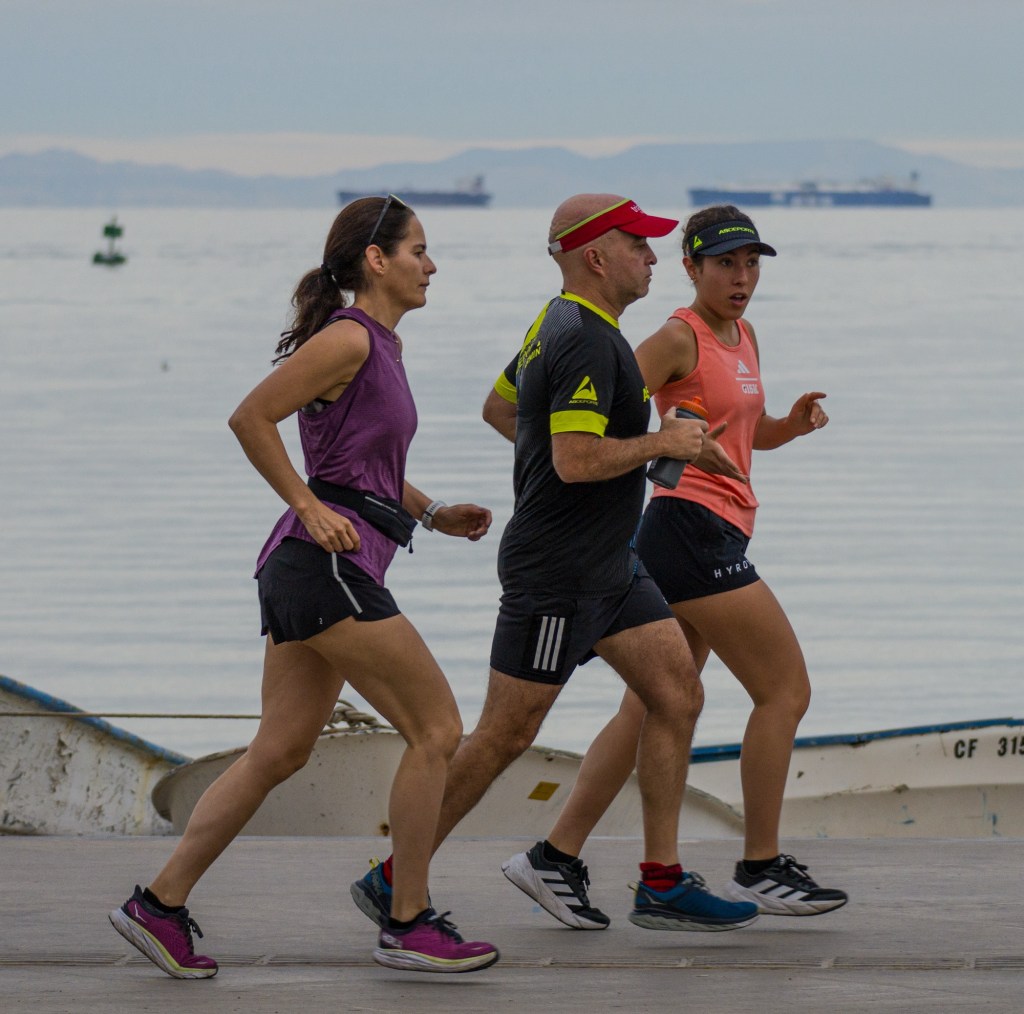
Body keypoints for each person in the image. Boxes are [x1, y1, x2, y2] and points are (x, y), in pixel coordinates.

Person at [108, 195, 500, 977]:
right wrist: (308, 507)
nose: (432, 265)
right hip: (324, 568)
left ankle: (158, 904)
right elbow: (251, 418)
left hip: (312, 568)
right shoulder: (349, 338)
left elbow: (362, 466)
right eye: (418, 250)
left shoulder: (379, 345)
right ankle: (408, 921)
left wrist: (431, 513)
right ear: (376, 260)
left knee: (280, 750)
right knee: (437, 730)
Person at [350, 194, 760, 935]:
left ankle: (661, 883)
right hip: (557, 573)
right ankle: (393, 878)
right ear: (595, 257)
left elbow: (500, 408)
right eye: (638, 245)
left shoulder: (560, 323)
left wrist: (567, 457)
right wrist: (661, 444)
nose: (653, 258)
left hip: (613, 565)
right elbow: (574, 460)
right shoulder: (583, 340)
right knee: (503, 737)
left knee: (677, 695)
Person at [498, 204, 848, 929]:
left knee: (652, 706)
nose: (741, 278)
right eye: (724, 265)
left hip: (714, 531)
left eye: (750, 264)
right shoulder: (673, 338)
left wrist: (788, 426)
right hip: (688, 531)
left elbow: (741, 435)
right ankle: (761, 864)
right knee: (785, 691)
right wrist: (628, 456)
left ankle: (554, 855)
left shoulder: (744, 335)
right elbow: (585, 417)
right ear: (690, 267)